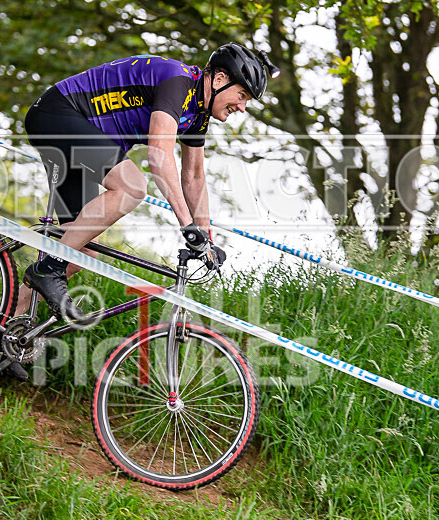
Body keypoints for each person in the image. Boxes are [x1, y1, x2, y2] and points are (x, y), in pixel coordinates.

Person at [22, 43, 276, 320]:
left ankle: (8, 326)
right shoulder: (177, 82)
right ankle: (48, 269)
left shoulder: (198, 114)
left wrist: (206, 239)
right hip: (57, 114)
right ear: (219, 79)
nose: (242, 107)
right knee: (131, 187)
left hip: (79, 133)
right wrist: (187, 225)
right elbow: (159, 154)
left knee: (81, 251)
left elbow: (193, 176)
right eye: (241, 95)